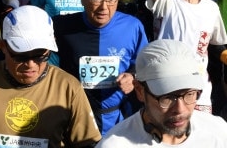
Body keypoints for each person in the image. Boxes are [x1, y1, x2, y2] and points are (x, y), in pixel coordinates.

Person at [0, 5, 102, 148]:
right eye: (20, 56)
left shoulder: (68, 87)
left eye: (40, 56)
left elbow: (87, 143)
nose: (30, 64)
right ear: (3, 47)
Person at [53, 0, 148, 136]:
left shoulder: (132, 26)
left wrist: (133, 77)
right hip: (73, 121)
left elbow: (146, 66)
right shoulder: (60, 26)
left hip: (118, 122)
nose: (104, 7)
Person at [97, 39, 227, 147]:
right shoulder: (115, 144)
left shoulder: (218, 132)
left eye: (189, 94)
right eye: (167, 98)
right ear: (140, 91)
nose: (180, 109)